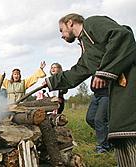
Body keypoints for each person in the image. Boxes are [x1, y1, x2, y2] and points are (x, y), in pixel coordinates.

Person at [43, 13, 136, 166]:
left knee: (129, 131)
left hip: (129, 82)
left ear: (70, 22)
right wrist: (51, 81)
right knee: (121, 135)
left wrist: (104, 72)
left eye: (61, 30)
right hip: (117, 90)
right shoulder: (86, 47)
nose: (61, 35)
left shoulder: (92, 23)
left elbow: (122, 35)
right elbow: (80, 70)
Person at [86, 76, 110, 153]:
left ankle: (103, 146)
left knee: (99, 120)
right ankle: (109, 137)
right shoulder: (95, 65)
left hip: (106, 94)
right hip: (96, 94)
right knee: (90, 118)